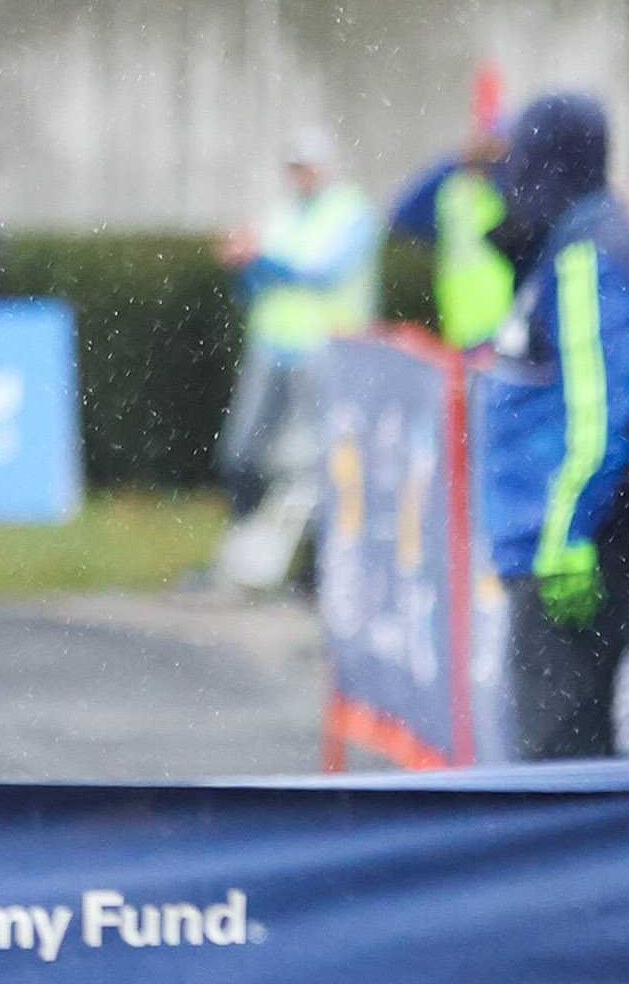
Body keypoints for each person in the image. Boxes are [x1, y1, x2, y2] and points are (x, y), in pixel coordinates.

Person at [475, 93, 629, 758]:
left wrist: (565, 535)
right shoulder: (570, 240)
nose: (507, 172)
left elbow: (602, 407)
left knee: (556, 764)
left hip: (569, 545)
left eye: (519, 153)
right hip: (560, 536)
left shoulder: (586, 250)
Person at [205, 131, 381, 592]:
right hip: (273, 347)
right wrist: (244, 264)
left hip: (327, 352)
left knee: (320, 464)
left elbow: (323, 274)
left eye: (309, 165)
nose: (302, 175)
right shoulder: (279, 215)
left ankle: (317, 570)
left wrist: (259, 256)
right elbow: (254, 286)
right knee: (242, 455)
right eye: (296, 166)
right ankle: (243, 562)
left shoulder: (351, 212)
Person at [390, 121, 519, 351]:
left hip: (504, 318)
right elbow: (403, 216)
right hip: (462, 323)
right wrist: (458, 160)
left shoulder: (509, 186)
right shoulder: (450, 187)